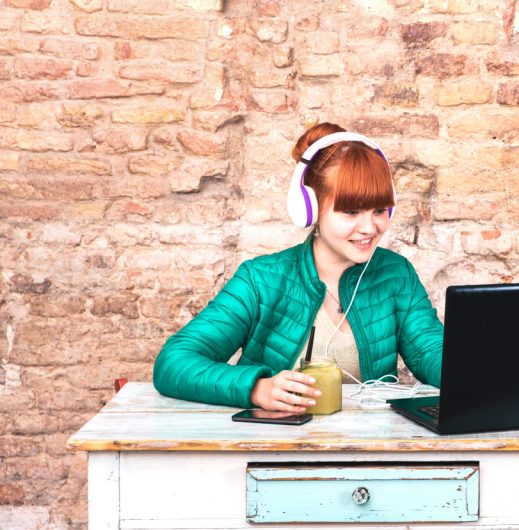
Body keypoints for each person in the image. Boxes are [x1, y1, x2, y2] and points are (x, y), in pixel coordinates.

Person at [153, 123, 443, 412]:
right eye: (351, 211)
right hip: (274, 447)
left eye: (379, 210)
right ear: (311, 208)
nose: (370, 227)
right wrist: (256, 388)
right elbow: (174, 362)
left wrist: (474, 369)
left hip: (365, 449)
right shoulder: (260, 280)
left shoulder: (396, 274)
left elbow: (432, 352)